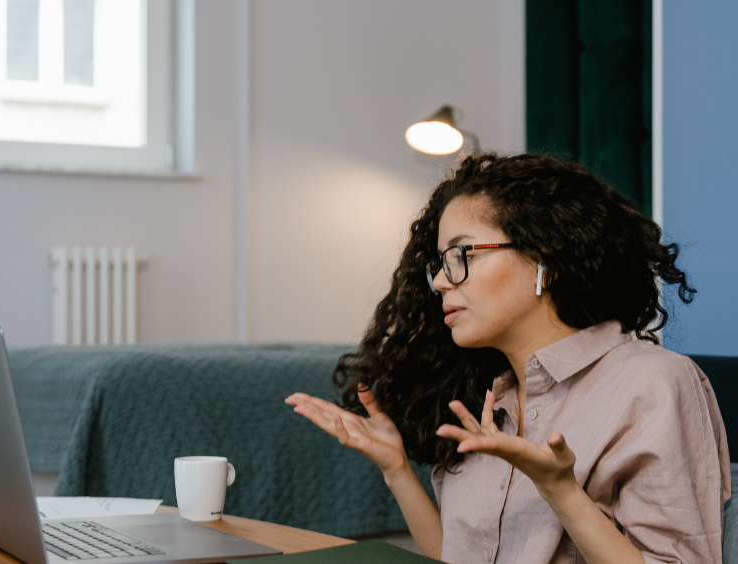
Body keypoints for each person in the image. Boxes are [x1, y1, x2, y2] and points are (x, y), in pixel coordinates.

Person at [286, 153, 730, 564]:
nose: (440, 281)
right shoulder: (481, 401)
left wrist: (561, 490)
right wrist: (397, 469)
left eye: (461, 255)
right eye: (438, 263)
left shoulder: (653, 384)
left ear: (544, 259)